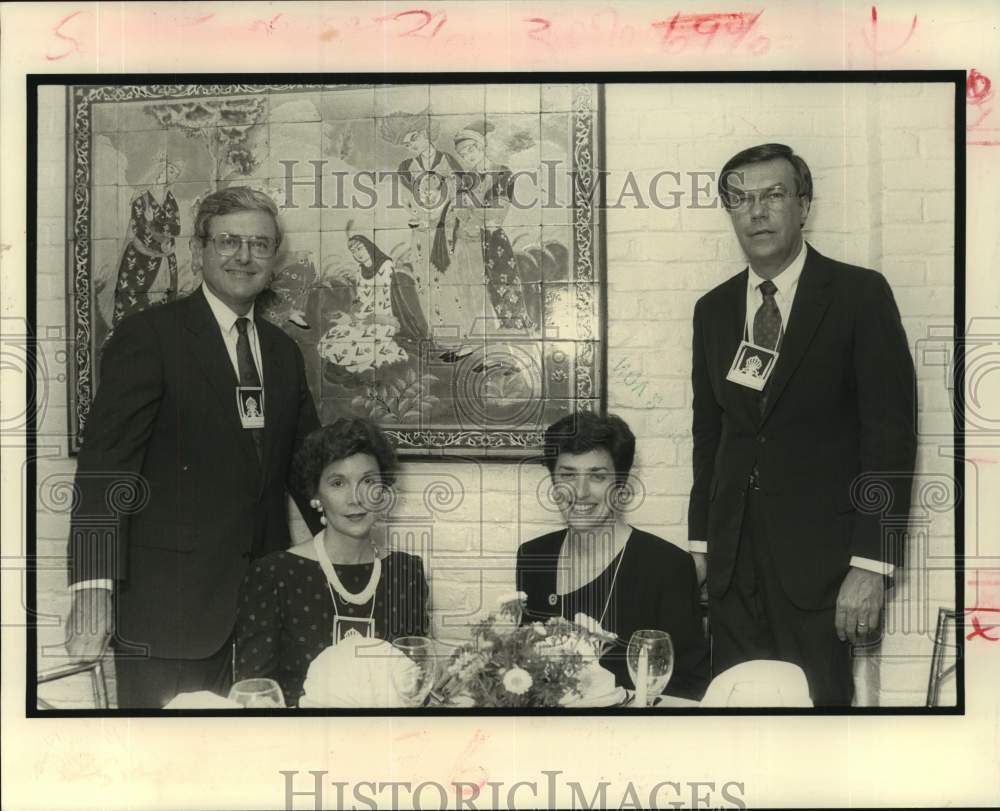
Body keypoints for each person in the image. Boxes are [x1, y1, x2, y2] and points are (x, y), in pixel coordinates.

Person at [65, 186, 322, 708]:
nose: (244, 257)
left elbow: (309, 467)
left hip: (261, 611)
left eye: (260, 244)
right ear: (197, 249)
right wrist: (92, 589)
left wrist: (351, 557)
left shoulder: (281, 354)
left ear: (273, 258)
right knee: (169, 771)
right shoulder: (149, 337)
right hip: (168, 612)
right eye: (229, 242)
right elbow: (105, 469)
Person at [688, 143, 917, 706]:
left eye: (773, 195)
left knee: (818, 724)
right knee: (735, 719)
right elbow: (709, 437)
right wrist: (700, 547)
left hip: (822, 571)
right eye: (740, 199)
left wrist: (871, 564)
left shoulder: (859, 296)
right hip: (732, 567)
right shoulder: (713, 310)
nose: (756, 211)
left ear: (804, 206)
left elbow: (889, 440)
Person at [235, 418, 430, 706]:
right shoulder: (274, 574)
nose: (356, 498)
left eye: (368, 481)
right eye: (338, 483)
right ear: (316, 495)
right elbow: (254, 693)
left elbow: (415, 685)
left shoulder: (406, 572)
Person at [517, 413, 709, 701]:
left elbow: (689, 686)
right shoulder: (533, 556)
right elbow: (524, 668)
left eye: (597, 476)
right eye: (567, 474)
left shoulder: (668, 566)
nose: (580, 492)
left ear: (620, 485)